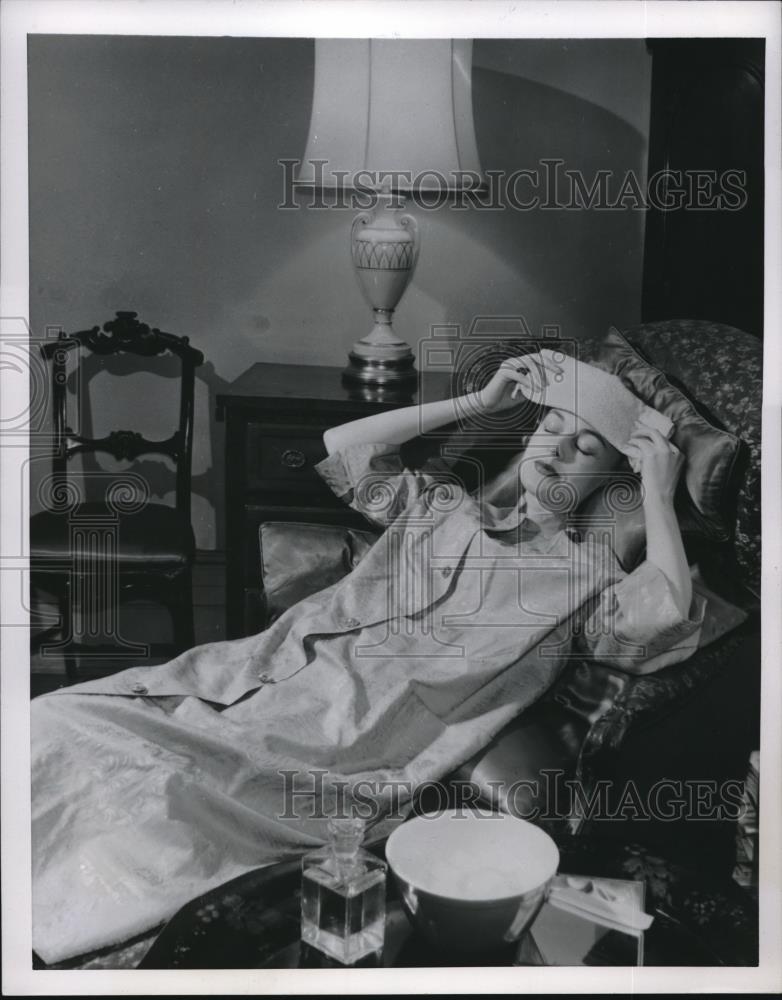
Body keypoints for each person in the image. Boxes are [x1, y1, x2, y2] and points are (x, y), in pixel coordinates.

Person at [30, 350, 706, 964]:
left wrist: (656, 488)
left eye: (585, 446)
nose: (558, 449)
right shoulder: (445, 508)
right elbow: (345, 448)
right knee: (54, 722)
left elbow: (666, 613)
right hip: (243, 680)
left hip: (339, 742)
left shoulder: (587, 580)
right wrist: (479, 403)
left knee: (157, 808)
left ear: (606, 477)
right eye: (550, 427)